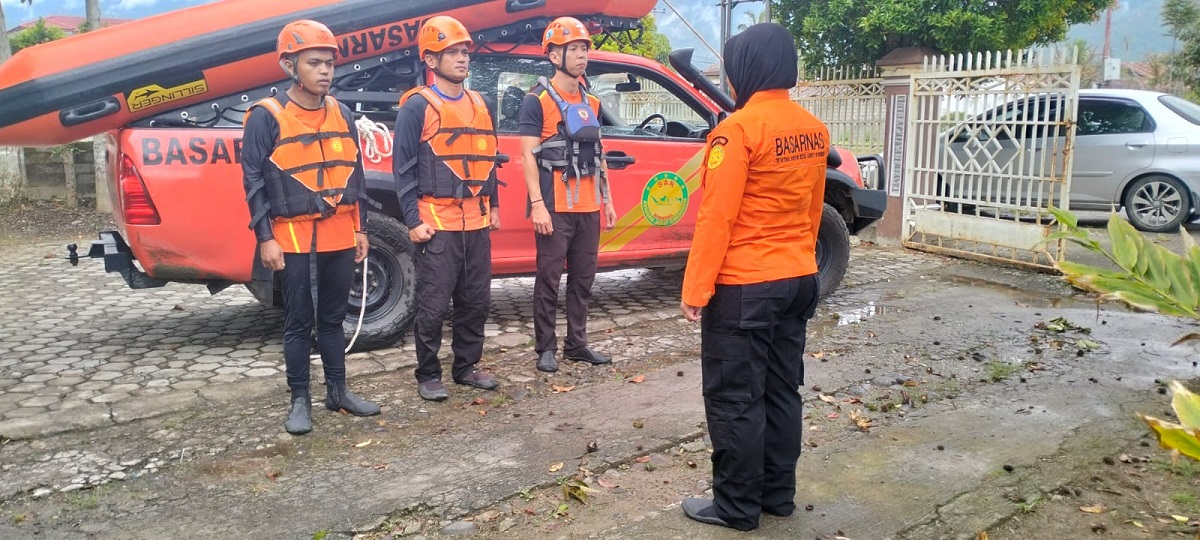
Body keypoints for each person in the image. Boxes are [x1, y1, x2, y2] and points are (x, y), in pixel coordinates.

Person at [678, 22, 828, 531]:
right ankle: (777, 496)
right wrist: (799, 261)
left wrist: (696, 289)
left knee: (735, 398)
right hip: (798, 278)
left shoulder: (737, 131)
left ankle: (737, 507)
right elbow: (812, 210)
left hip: (745, 286)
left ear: (745, 69)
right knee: (783, 389)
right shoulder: (813, 128)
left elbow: (716, 218)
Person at [243, 19, 381, 435]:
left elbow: (354, 174)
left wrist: (361, 228)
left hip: (340, 233)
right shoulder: (266, 116)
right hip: (293, 236)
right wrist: (265, 237)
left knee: (334, 318)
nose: (325, 71)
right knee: (299, 320)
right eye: (314, 63)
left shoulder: (342, 111)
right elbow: (252, 181)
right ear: (289, 66)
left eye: (329, 64)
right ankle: (299, 398)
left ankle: (337, 391)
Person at [392, 16, 501, 402]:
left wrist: (496, 207)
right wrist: (412, 221)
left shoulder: (482, 103)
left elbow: (487, 158)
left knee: (477, 302)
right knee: (434, 304)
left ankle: (467, 367)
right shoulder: (417, 107)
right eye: (451, 52)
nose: (461, 58)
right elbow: (402, 169)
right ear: (431, 60)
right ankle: (428, 373)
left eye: (463, 51)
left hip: (477, 222)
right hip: (437, 225)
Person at [517, 16, 617, 373]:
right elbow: (527, 156)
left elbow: (599, 153)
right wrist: (537, 206)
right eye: (573, 48)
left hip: (588, 205)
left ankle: (577, 344)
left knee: (584, 279)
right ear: (554, 55)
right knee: (548, 278)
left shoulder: (591, 100)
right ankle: (545, 347)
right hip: (555, 206)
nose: (581, 55)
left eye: (584, 48)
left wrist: (608, 201)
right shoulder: (537, 99)